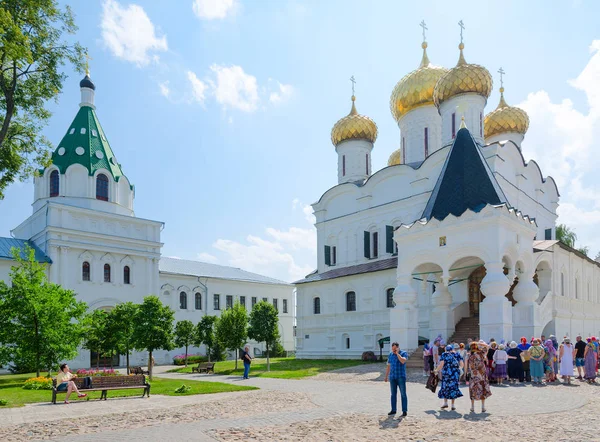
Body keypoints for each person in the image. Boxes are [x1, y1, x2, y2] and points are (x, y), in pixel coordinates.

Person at [434, 345, 463, 411]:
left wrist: (436, 370)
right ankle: (453, 405)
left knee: (445, 387)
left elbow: (441, 365)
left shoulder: (444, 354)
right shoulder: (457, 354)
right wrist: (458, 369)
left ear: (446, 349)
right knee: (454, 388)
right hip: (455, 374)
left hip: (446, 374)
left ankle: (445, 403)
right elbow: (462, 364)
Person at [466, 341, 491, 413]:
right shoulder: (481, 354)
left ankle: (472, 407)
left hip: (473, 376)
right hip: (481, 375)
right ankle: (483, 407)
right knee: (482, 389)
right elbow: (488, 346)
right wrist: (480, 343)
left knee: (472, 390)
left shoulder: (470, 355)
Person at [384, 342, 408, 417]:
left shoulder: (404, 353)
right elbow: (389, 366)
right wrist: (386, 376)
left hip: (400, 376)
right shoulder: (390, 354)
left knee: (403, 394)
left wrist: (397, 354)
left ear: (398, 347)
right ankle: (393, 410)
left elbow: (403, 361)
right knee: (393, 394)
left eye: (395, 349)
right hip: (392, 377)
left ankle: (404, 410)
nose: (393, 350)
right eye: (393, 349)